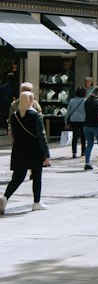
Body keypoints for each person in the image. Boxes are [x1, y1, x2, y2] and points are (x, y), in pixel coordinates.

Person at [0, 84, 50, 213]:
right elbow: (41, 136)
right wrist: (46, 153)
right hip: (34, 150)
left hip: (19, 150)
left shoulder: (14, 116)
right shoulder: (36, 116)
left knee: (17, 177)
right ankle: (36, 202)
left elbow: (14, 135)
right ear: (31, 101)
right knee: (37, 176)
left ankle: (5, 197)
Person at [65, 86, 87, 158]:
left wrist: (66, 120)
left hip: (73, 120)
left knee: (75, 136)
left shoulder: (72, 101)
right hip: (83, 120)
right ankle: (83, 151)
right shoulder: (85, 101)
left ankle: (74, 152)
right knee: (83, 136)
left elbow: (68, 111)